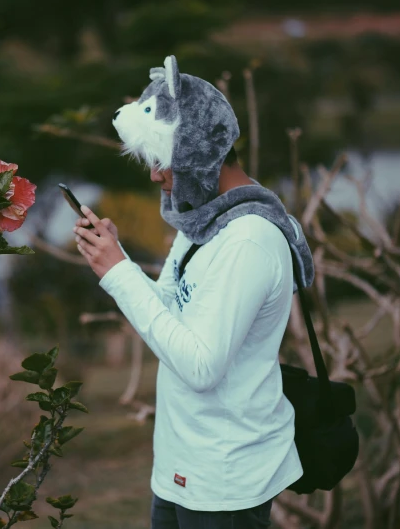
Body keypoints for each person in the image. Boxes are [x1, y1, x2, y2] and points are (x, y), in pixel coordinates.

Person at [72, 55, 314, 529]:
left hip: (224, 481)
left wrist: (119, 273)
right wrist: (114, 260)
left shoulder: (249, 241)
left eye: (161, 161)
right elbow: (169, 311)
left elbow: (201, 367)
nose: (155, 176)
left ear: (196, 154)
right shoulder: (204, 222)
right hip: (182, 468)